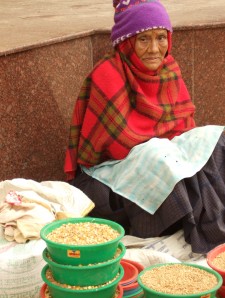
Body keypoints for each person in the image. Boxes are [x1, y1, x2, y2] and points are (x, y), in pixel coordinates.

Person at [64, 0, 225, 254]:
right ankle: (196, 228)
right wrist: (164, 146)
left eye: (161, 38)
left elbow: (185, 128)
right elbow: (111, 147)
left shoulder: (168, 69)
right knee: (161, 159)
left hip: (161, 152)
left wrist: (178, 147)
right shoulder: (107, 74)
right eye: (143, 40)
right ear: (126, 42)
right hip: (110, 173)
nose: (154, 49)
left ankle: (212, 223)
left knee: (215, 139)